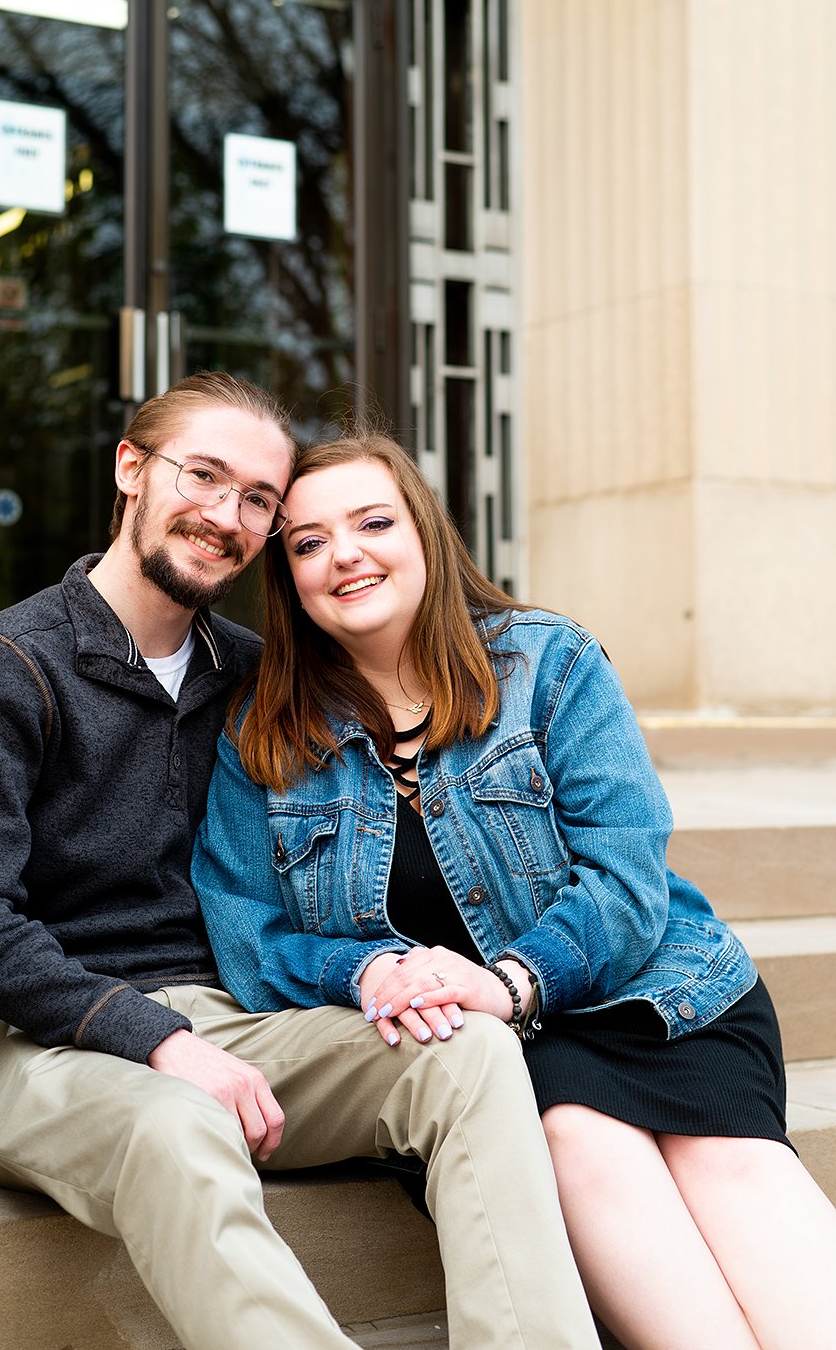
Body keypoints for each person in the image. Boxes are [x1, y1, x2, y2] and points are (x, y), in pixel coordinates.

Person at [0, 374, 601, 1350]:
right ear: (129, 469)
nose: (224, 516)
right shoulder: (5, 665)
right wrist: (156, 1040)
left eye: (257, 500)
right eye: (202, 475)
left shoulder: (253, 674)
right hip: (42, 1048)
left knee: (469, 1049)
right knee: (173, 1123)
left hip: (238, 1024)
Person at [192, 430, 836, 1350]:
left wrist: (513, 980)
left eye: (373, 521)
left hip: (653, 997)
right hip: (476, 1055)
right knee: (577, 1137)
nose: (346, 554)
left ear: (424, 530)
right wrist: (366, 969)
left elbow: (627, 873)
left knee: (736, 1170)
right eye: (308, 541)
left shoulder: (549, 663)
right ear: (286, 576)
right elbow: (248, 936)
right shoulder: (264, 732)